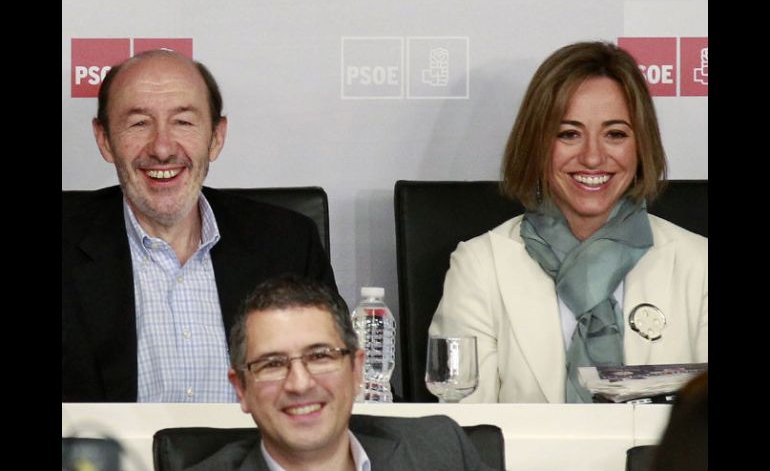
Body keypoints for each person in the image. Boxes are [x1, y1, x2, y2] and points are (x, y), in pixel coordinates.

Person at [429, 41, 707, 403]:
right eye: (569, 134)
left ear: (642, 147)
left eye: (616, 134)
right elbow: (465, 432)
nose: (593, 157)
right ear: (536, 144)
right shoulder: (481, 268)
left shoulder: (699, 265)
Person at [62, 50, 336, 403]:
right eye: (139, 123)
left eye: (184, 122)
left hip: (252, 457)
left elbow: (337, 386)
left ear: (216, 137)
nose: (162, 148)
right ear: (104, 140)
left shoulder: (288, 243)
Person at [188, 274, 493, 471]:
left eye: (320, 356)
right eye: (273, 364)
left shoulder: (439, 451)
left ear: (357, 369)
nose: (300, 383)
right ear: (241, 388)